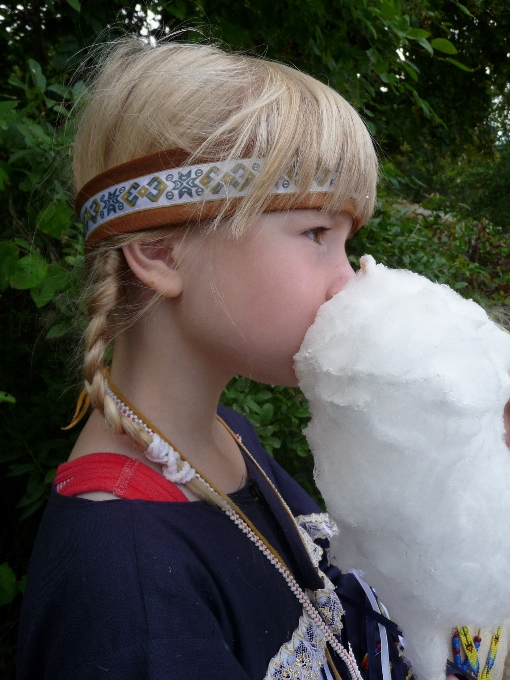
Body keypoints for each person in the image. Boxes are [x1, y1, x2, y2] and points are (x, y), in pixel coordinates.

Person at [17, 37, 457, 680]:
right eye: (315, 235)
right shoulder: (123, 577)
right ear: (162, 253)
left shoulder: (228, 438)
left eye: (345, 241)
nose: (350, 279)